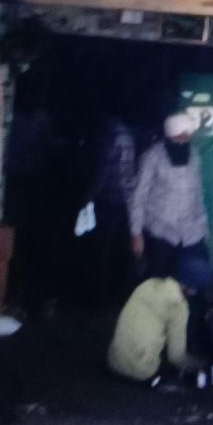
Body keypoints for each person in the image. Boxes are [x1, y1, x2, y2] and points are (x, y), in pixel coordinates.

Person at [129, 112, 209, 279]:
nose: (183, 141)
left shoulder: (194, 155)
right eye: (179, 137)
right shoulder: (152, 157)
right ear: (171, 136)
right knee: (160, 283)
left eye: (187, 137)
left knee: (194, 282)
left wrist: (203, 228)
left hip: (192, 233)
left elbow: (198, 193)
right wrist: (136, 233)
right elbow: (138, 196)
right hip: (161, 233)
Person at [107, 257, 212, 382]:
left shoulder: (148, 284)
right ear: (192, 289)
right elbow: (176, 357)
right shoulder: (179, 307)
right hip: (141, 371)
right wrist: (203, 365)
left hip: (114, 361)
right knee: (178, 371)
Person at [81, 114, 138, 306]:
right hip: (126, 199)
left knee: (103, 247)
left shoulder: (113, 137)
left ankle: (100, 295)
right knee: (119, 248)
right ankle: (118, 293)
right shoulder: (128, 135)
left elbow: (104, 171)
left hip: (111, 198)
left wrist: (91, 194)